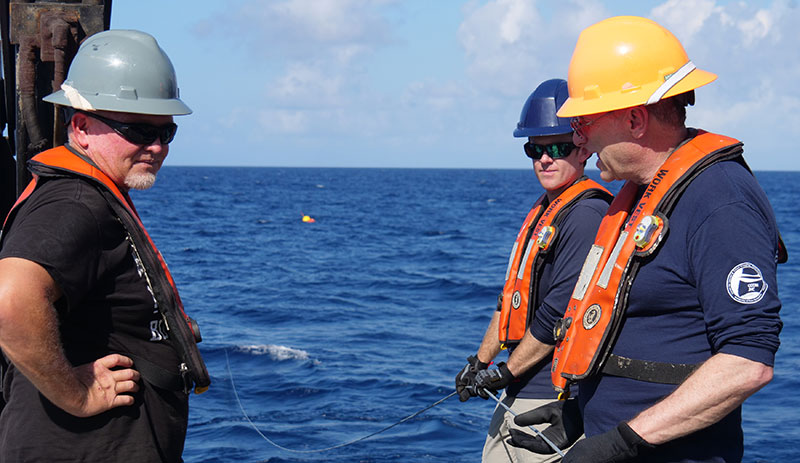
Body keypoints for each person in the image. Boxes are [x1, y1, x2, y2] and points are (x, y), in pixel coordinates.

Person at [511, 16, 785, 462]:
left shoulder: (720, 200)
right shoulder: (644, 197)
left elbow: (746, 363)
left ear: (636, 119)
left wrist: (622, 442)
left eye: (583, 121)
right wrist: (580, 415)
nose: (578, 138)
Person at [0, 30, 209, 462]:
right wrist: (77, 394)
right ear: (82, 127)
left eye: (165, 132)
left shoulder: (89, 198)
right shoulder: (75, 204)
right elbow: (8, 302)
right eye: (136, 130)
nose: (155, 147)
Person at [454, 78, 612, 462]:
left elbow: (556, 312)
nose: (545, 159)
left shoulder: (587, 214)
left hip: (553, 400)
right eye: (534, 149)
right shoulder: (545, 212)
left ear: (583, 150)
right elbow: (510, 300)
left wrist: (506, 371)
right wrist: (480, 361)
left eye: (557, 148)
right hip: (520, 391)